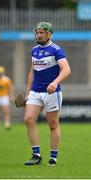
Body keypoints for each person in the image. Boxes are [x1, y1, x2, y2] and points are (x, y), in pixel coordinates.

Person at [24, 22, 71, 166]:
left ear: (49, 34)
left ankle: (53, 157)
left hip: (52, 93)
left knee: (53, 124)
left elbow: (66, 69)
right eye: (37, 32)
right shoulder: (34, 50)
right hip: (36, 92)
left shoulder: (56, 50)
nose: (38, 35)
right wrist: (27, 93)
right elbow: (32, 72)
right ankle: (36, 155)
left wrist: (55, 82)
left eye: (41, 32)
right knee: (29, 119)